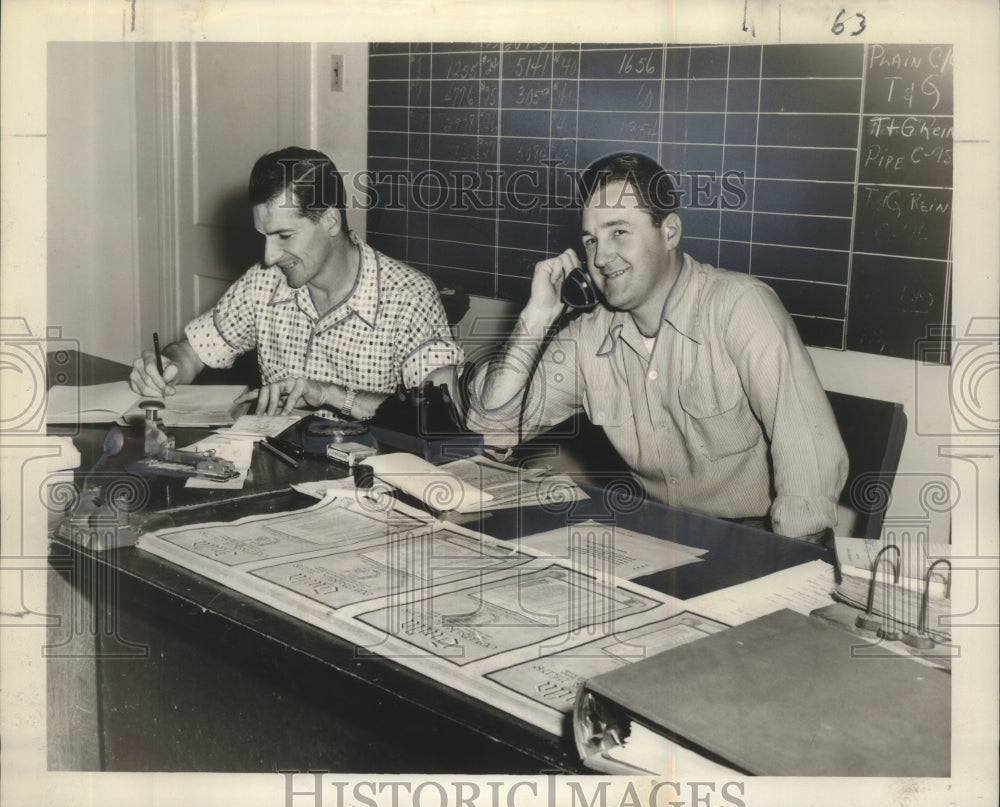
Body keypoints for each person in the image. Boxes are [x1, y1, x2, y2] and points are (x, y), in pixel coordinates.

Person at [465, 152, 848, 543]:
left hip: (756, 538)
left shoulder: (740, 307)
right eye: (591, 240)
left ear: (669, 233)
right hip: (658, 537)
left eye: (618, 232)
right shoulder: (589, 337)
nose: (600, 257)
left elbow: (808, 470)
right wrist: (537, 317)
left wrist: (782, 566)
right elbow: (490, 431)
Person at [130, 147, 464, 419]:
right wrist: (167, 367)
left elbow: (441, 414)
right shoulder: (263, 282)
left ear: (330, 221)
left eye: (284, 236)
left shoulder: (409, 296)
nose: (270, 256)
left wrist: (329, 395)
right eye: (264, 237)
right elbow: (193, 351)